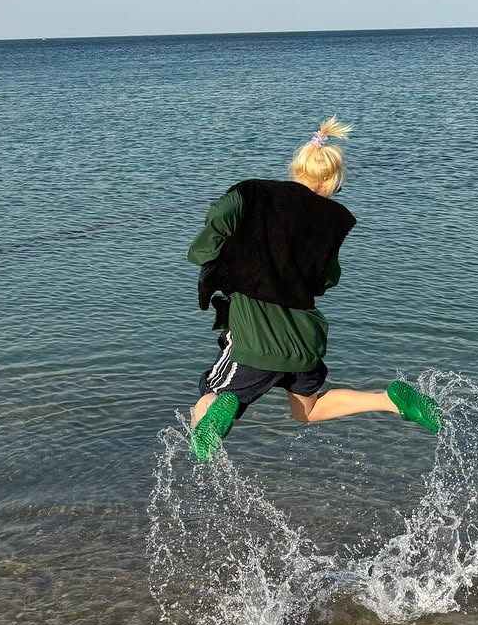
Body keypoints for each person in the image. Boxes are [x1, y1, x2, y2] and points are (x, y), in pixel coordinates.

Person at [187, 117, 441, 463]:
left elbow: (220, 215)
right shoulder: (333, 219)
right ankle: (390, 401)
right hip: (304, 337)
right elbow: (327, 280)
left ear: (298, 167)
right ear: (333, 181)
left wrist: (212, 251)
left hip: (255, 337)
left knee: (209, 396)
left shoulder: (253, 192)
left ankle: (215, 419)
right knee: (307, 408)